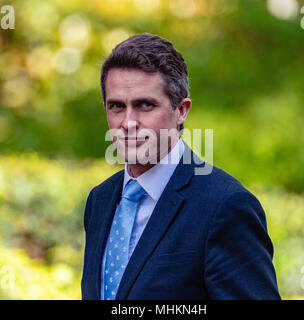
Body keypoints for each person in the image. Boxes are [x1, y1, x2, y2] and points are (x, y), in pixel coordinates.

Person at [81, 33, 281, 300]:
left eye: (145, 105)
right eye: (117, 106)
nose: (128, 122)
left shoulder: (226, 206)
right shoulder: (101, 199)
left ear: (181, 110)